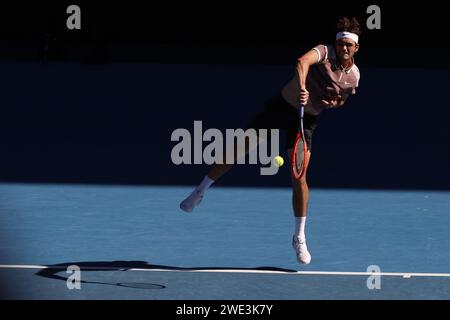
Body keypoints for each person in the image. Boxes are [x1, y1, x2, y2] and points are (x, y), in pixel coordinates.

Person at [180, 17, 361, 265]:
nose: (344, 48)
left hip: (305, 122)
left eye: (349, 45)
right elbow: (302, 61)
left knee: (299, 177)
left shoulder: (353, 77)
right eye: (341, 43)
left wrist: (335, 103)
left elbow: (343, 99)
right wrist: (302, 88)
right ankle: (199, 191)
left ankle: (299, 236)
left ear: (356, 48)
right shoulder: (324, 51)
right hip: (282, 108)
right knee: (239, 148)